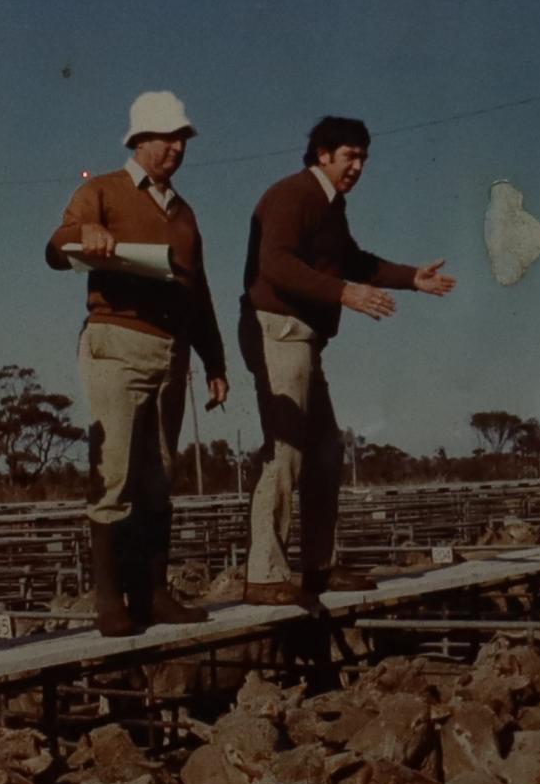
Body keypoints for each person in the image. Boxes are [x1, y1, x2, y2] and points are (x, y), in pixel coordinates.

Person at [239, 116, 454, 608]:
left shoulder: (331, 207)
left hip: (306, 337)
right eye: (349, 157)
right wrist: (344, 294)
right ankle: (265, 572)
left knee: (326, 452)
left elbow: (355, 262)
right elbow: (276, 264)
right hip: (278, 328)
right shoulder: (293, 195)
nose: (357, 167)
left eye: (363, 158)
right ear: (322, 155)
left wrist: (410, 278)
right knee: (286, 449)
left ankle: (318, 566)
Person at [46, 91, 229, 635]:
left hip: (170, 350)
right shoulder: (100, 190)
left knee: (159, 475)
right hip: (116, 340)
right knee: (115, 471)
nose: (176, 148)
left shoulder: (184, 212)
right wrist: (86, 235)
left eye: (182, 139)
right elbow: (57, 245)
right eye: (166, 138)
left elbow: (199, 292)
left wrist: (214, 361)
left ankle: (152, 593)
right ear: (139, 140)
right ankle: (109, 601)